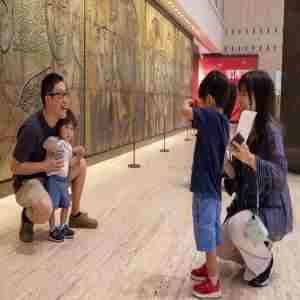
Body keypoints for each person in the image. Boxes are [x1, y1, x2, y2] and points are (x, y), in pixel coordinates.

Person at [220, 70, 293, 287]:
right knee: (219, 244)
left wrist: (251, 159)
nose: (239, 99)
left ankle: (264, 265)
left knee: (235, 228)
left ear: (258, 96)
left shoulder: (271, 130)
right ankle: (257, 250)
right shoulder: (245, 125)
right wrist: (224, 160)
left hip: (271, 211)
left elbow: (280, 175)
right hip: (250, 207)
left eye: (244, 93)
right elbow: (237, 178)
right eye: (239, 93)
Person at [11, 72, 98, 243]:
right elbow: (14, 167)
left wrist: (75, 153)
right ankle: (28, 218)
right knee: (45, 209)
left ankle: (75, 215)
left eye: (66, 94)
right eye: (60, 95)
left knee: (81, 164)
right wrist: (45, 166)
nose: (65, 100)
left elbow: (62, 154)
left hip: (51, 176)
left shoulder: (59, 122)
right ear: (48, 98)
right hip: (28, 182)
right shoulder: (31, 128)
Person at [182, 70, 230, 299]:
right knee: (210, 229)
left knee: (206, 233)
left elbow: (186, 113)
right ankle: (209, 268)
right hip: (213, 188)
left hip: (206, 189)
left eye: (202, 100)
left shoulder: (210, 117)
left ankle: (213, 281)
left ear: (210, 99)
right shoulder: (221, 121)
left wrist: (189, 103)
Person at [43, 110, 84, 242]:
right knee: (53, 205)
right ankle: (52, 229)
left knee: (66, 204)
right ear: (58, 128)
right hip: (53, 180)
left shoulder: (68, 146)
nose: (69, 131)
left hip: (63, 181)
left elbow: (70, 163)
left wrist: (79, 155)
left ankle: (62, 226)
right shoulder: (55, 141)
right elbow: (47, 146)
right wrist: (53, 146)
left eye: (72, 129)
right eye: (66, 127)